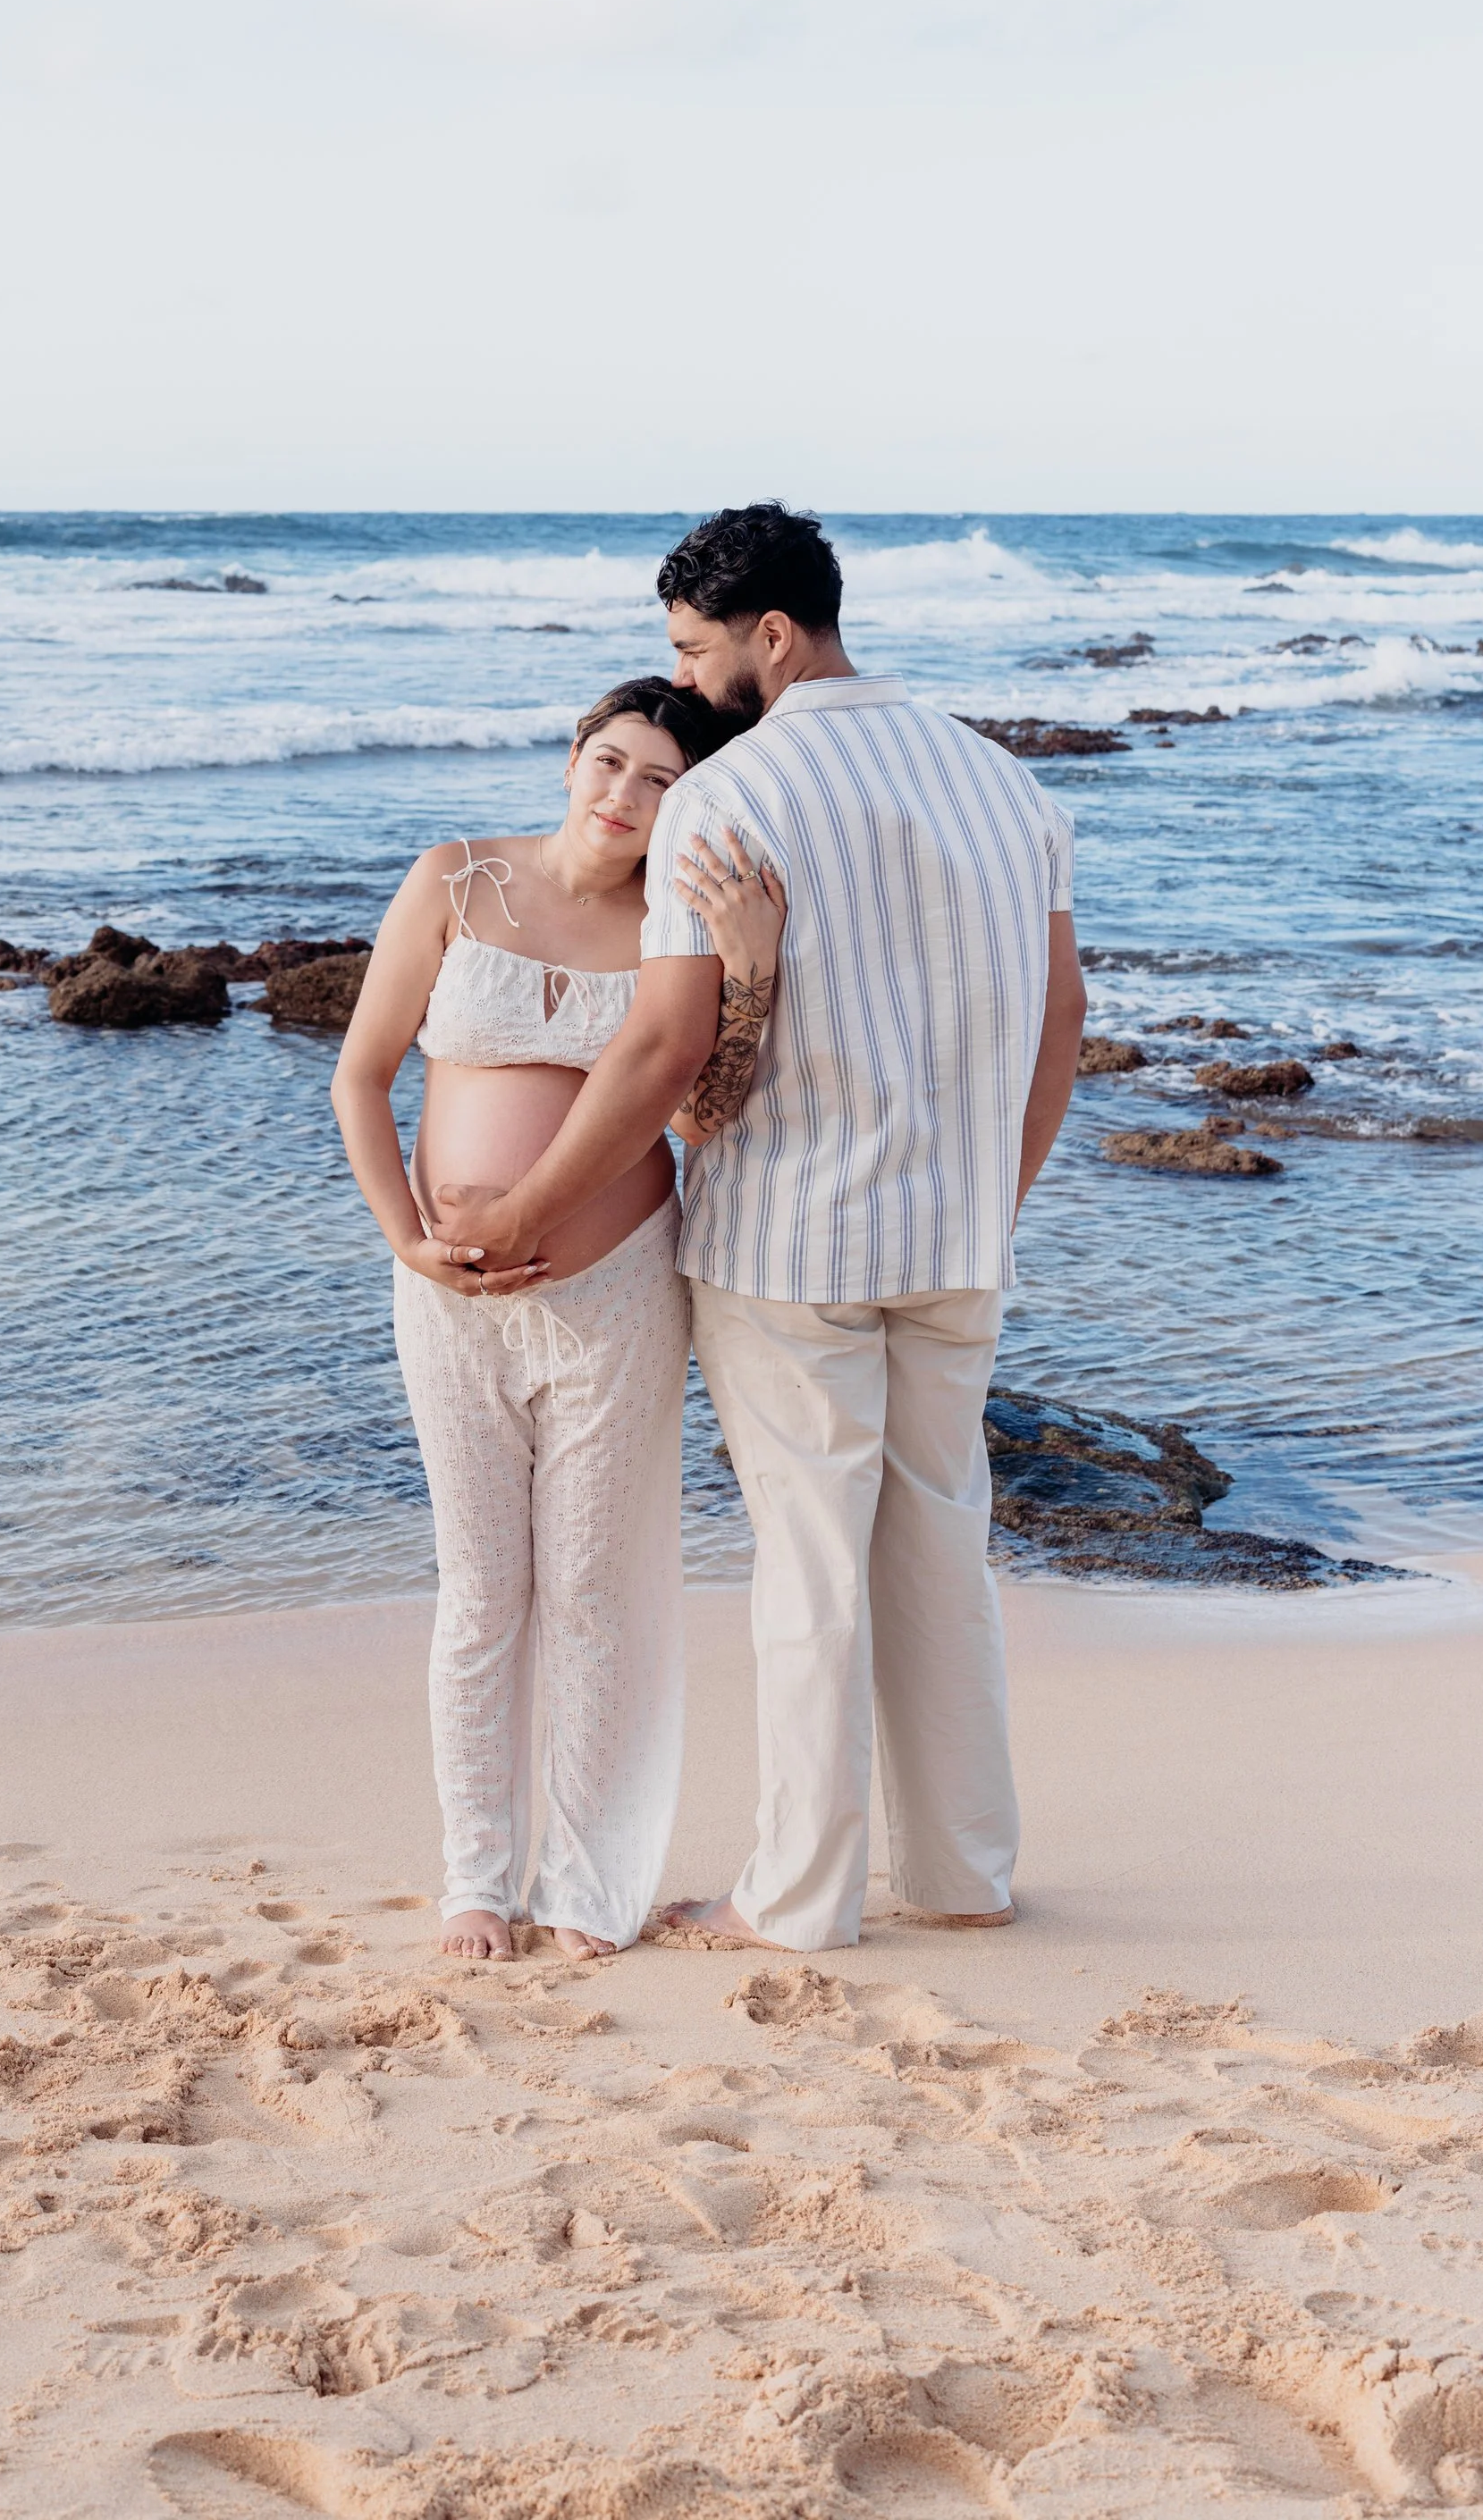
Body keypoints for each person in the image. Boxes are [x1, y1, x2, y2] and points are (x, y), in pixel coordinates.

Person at [429, 505, 1087, 1953]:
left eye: (693, 647)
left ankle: (795, 1902)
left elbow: (662, 1051)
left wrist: (527, 1209)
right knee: (940, 1546)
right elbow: (1062, 1024)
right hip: (957, 1238)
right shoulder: (1004, 783)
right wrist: (1001, 1189)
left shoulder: (730, 801)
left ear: (770, 637)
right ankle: (965, 1871)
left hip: (794, 1246)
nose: (688, 674)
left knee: (813, 1569)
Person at [333, 676, 786, 1963]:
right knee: (481, 1594)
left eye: (656, 781)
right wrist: (407, 1241)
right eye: (606, 762)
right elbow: (361, 1078)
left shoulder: (678, 921)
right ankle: (477, 1876)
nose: (622, 796)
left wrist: (748, 965)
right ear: (569, 761)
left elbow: (704, 1116)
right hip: (450, 1303)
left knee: (594, 1593)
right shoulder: (455, 882)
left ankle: (587, 1885)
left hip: (618, 1294)